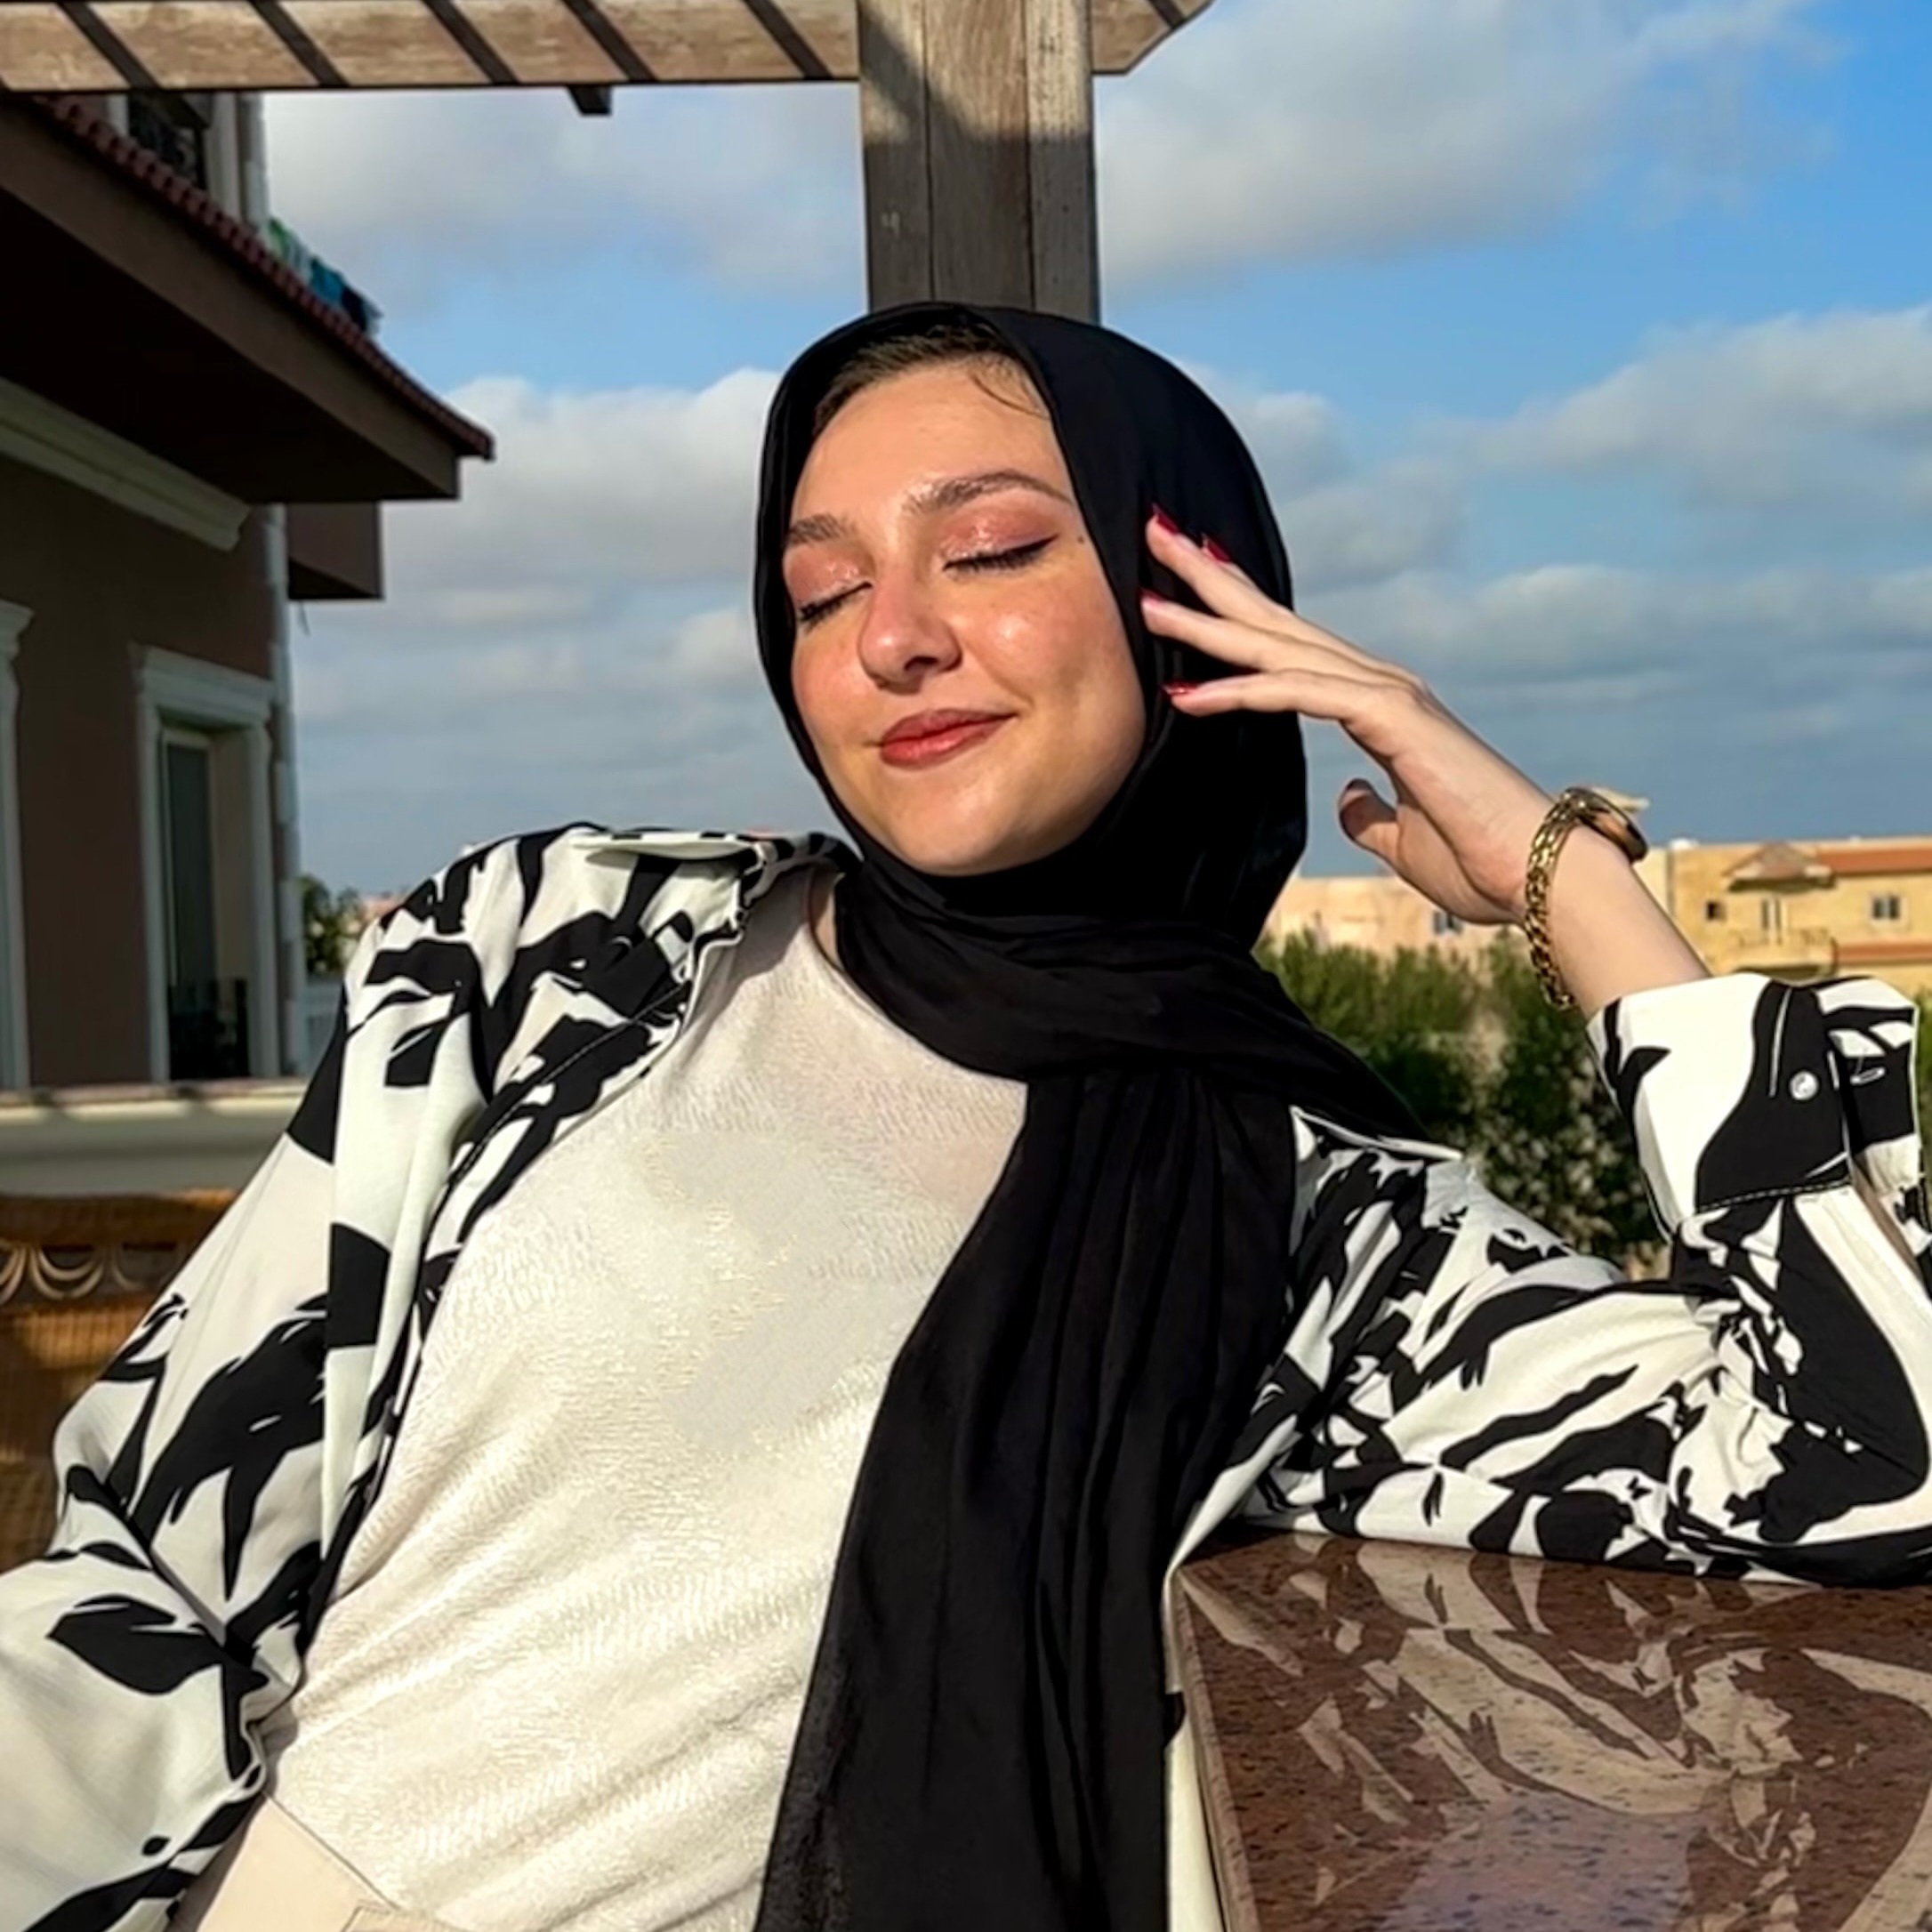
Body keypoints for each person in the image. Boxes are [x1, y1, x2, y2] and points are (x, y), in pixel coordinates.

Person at [2, 303, 1928, 1932]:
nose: (890, 638)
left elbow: (1878, 1460)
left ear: (1204, 607)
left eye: (990, 550)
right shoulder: (563, 953)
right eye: (821, 587)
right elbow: (160, 1535)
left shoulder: (1322, 1231)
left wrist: (1566, 879)